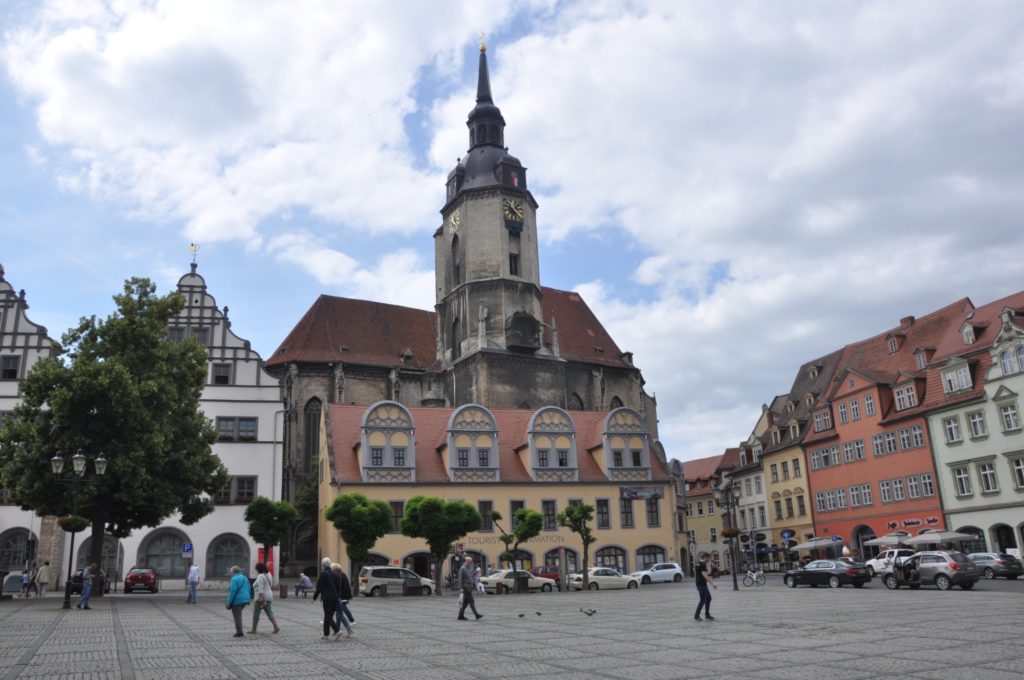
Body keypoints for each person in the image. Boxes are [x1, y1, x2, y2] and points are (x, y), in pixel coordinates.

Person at [312, 557, 340, 639]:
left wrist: (314, 598)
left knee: (328, 616)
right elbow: (338, 587)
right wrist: (338, 596)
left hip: (327, 598)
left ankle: (337, 631)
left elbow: (319, 587)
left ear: (323, 565)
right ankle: (326, 634)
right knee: (328, 615)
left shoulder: (323, 574)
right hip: (334, 598)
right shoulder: (334, 573)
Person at [250, 562, 280, 634]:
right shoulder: (269, 574)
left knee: (256, 613)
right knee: (269, 612)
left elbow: (260, 588)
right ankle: (276, 627)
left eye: (257, 569)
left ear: (259, 569)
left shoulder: (260, 576)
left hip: (261, 597)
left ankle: (254, 630)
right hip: (269, 595)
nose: (256, 571)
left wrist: (261, 598)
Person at [225, 565, 251, 638]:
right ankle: (239, 631)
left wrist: (228, 603)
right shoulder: (245, 578)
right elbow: (249, 588)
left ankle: (239, 632)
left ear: (233, 572)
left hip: (238, 600)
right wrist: (248, 599)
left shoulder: (234, 579)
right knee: (238, 614)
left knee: (237, 616)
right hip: (245, 599)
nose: (231, 573)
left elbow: (233, 591)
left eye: (231, 572)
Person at [330, 563, 355, 638]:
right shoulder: (342, 575)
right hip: (341, 598)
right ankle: (340, 630)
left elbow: (341, 588)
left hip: (341, 598)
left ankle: (338, 630)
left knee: (339, 615)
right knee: (340, 615)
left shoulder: (339, 576)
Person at [457, 556, 483, 621]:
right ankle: (476, 615)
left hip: (469, 587)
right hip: (466, 588)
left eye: (471, 562)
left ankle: (460, 615)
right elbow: (460, 579)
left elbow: (470, 577)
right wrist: (461, 587)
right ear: (467, 561)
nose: (471, 563)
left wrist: (474, 585)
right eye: (470, 562)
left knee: (465, 603)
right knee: (471, 601)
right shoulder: (462, 568)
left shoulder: (469, 568)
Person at [693, 552, 717, 621]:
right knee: (702, 600)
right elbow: (705, 575)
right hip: (701, 584)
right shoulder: (702, 564)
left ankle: (707, 614)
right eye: (709, 558)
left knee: (708, 598)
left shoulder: (698, 563)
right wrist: (712, 584)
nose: (709, 560)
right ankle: (696, 615)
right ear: (706, 557)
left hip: (700, 584)